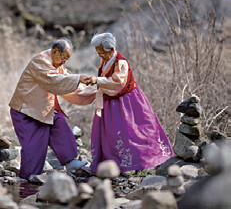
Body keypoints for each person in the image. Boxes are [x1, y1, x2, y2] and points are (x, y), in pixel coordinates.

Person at [9, 38, 95, 179]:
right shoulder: (40, 61)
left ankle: (70, 161)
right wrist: (78, 78)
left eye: (67, 59)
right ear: (55, 51)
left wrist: (94, 91)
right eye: (63, 58)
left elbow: (67, 81)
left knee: (60, 124)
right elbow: (54, 82)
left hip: (43, 110)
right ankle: (28, 181)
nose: (64, 62)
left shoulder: (56, 64)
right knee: (34, 149)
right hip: (26, 111)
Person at [88, 33, 174, 174]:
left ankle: (142, 162)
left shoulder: (121, 62)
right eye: (98, 53)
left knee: (134, 132)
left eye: (101, 53)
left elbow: (118, 83)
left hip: (127, 102)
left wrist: (97, 80)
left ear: (110, 49)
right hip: (111, 102)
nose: (100, 56)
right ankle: (116, 164)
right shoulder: (106, 60)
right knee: (112, 134)